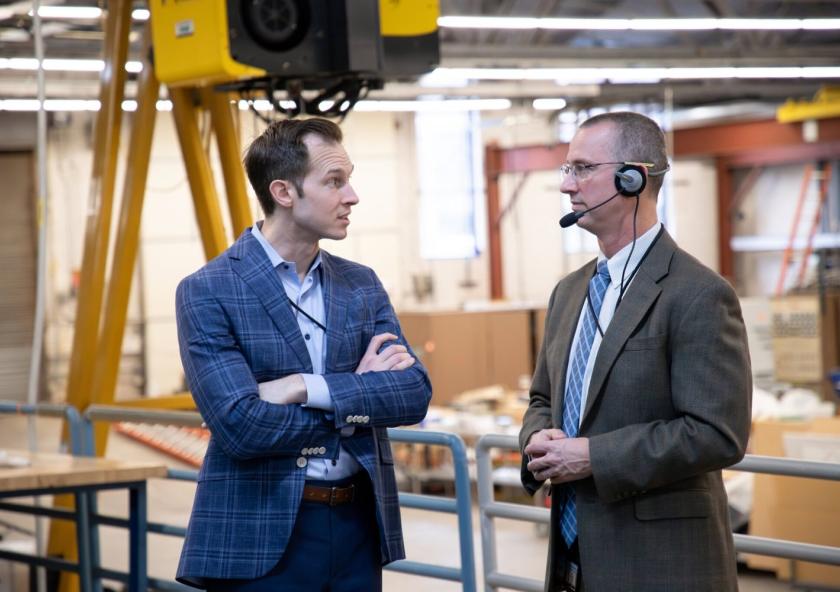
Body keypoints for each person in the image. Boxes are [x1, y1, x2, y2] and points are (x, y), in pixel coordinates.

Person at [175, 117, 432, 591]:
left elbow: (413, 394)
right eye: (334, 181)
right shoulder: (208, 291)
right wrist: (356, 403)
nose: (351, 196)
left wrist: (303, 387)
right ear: (284, 192)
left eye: (348, 179)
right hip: (260, 534)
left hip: (357, 524)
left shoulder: (360, 283)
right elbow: (240, 426)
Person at [519, 111, 751, 592]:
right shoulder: (569, 292)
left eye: (582, 168)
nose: (567, 186)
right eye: (567, 169)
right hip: (572, 560)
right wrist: (537, 440)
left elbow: (716, 433)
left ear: (632, 179)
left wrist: (593, 457)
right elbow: (542, 398)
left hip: (660, 565)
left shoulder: (698, 294)